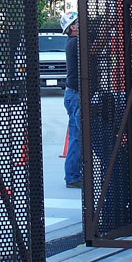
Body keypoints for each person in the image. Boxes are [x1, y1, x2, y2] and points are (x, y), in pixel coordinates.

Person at [61, 10, 82, 189]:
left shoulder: (74, 42)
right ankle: (73, 176)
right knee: (77, 137)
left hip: (73, 95)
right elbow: (93, 50)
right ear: (72, 27)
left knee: (78, 135)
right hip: (75, 95)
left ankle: (74, 174)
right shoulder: (75, 43)